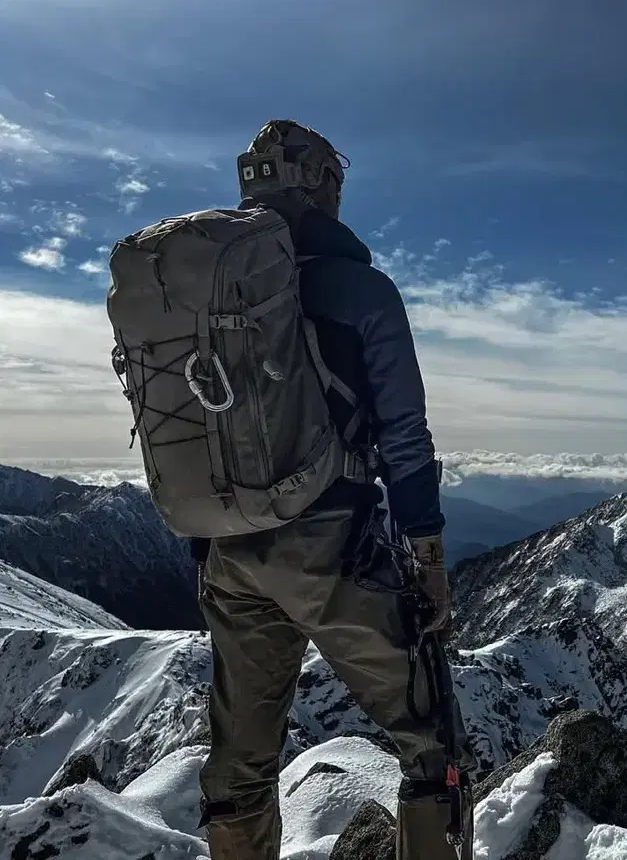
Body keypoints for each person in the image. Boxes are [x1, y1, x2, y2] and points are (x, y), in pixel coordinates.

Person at [192, 120, 476, 860]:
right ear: (318, 183)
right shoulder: (361, 292)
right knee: (430, 744)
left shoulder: (201, 302)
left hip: (229, 552)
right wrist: (430, 556)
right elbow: (404, 438)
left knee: (239, 768)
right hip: (330, 545)